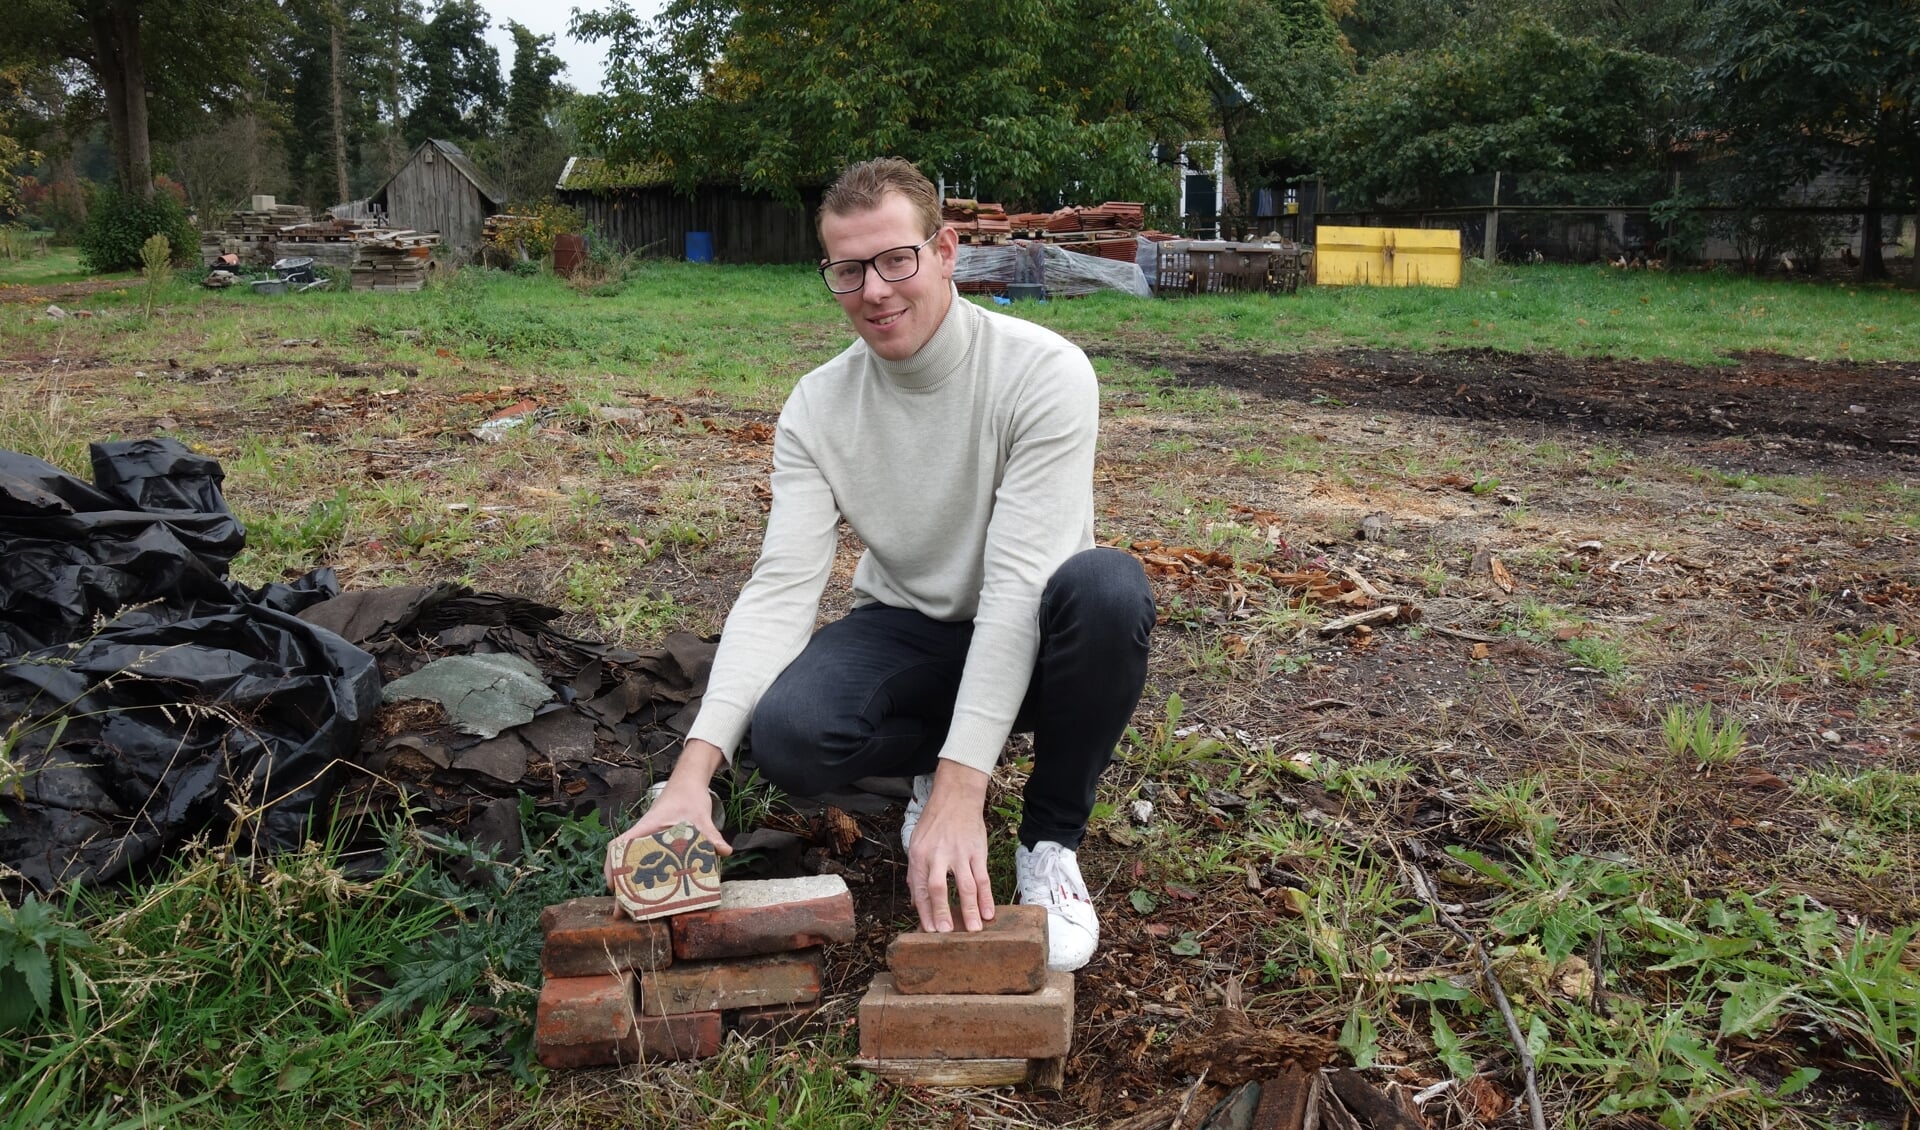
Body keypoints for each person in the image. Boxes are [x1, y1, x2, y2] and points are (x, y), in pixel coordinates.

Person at [605, 157, 1154, 971]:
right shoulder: (818, 407)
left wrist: (972, 794)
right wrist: (693, 773)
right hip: (910, 631)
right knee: (790, 734)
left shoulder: (1043, 373)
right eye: (848, 269)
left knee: (1109, 589)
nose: (876, 290)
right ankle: (936, 767)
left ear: (947, 250)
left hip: (1041, 633)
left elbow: (1014, 589)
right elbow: (781, 588)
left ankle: (1047, 842)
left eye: (897, 259)